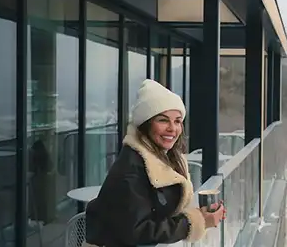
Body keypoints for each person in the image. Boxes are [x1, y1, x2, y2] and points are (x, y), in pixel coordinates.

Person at [84, 79, 226, 247]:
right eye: (163, 120)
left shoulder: (164, 157)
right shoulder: (132, 168)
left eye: (177, 121)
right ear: (146, 124)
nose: (172, 128)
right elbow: (138, 231)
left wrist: (202, 216)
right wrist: (196, 221)